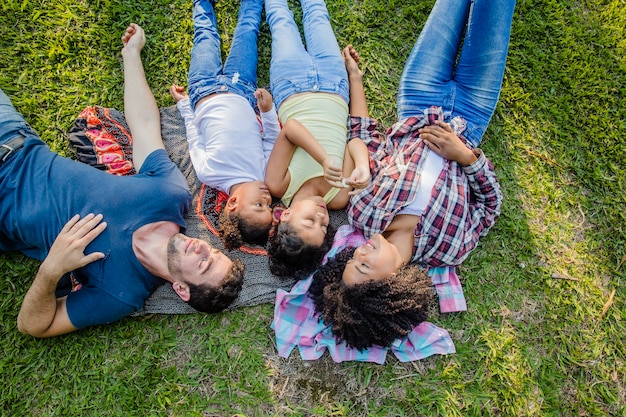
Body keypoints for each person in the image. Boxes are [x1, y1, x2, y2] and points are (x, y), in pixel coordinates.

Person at [0, 23, 245, 338]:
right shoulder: (168, 195)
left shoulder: (122, 294)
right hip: (15, 139)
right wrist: (132, 56)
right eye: (214, 253)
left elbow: (33, 326)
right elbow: (143, 126)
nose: (203, 249)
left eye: (205, 266)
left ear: (182, 290)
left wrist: (52, 269)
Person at [307, 0, 512, 349]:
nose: (359, 253)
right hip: (473, 113)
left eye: (352, 259)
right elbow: (490, 204)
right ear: (391, 282)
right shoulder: (450, 249)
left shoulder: (363, 212)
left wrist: (355, 78)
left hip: (420, 95)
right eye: (364, 267)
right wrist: (463, 155)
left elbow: (365, 135)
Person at [263, 0, 370, 279]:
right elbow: (354, 140)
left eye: (310, 220)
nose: (322, 217)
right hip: (335, 85)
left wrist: (323, 160)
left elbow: (291, 129)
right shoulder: (338, 197)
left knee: (281, 19)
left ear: (283, 215)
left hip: (291, 83)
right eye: (323, 227)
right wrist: (363, 166)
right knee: (317, 14)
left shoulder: (279, 185)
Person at [170, 0, 280, 250]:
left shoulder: (209, 173)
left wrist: (184, 105)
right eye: (269, 205)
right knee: (247, 32)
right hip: (240, 87)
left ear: (233, 203)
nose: (267, 198)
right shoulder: (263, 173)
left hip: (203, 89)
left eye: (259, 205)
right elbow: (272, 139)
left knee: (205, 35)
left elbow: (194, 136)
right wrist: (268, 110)